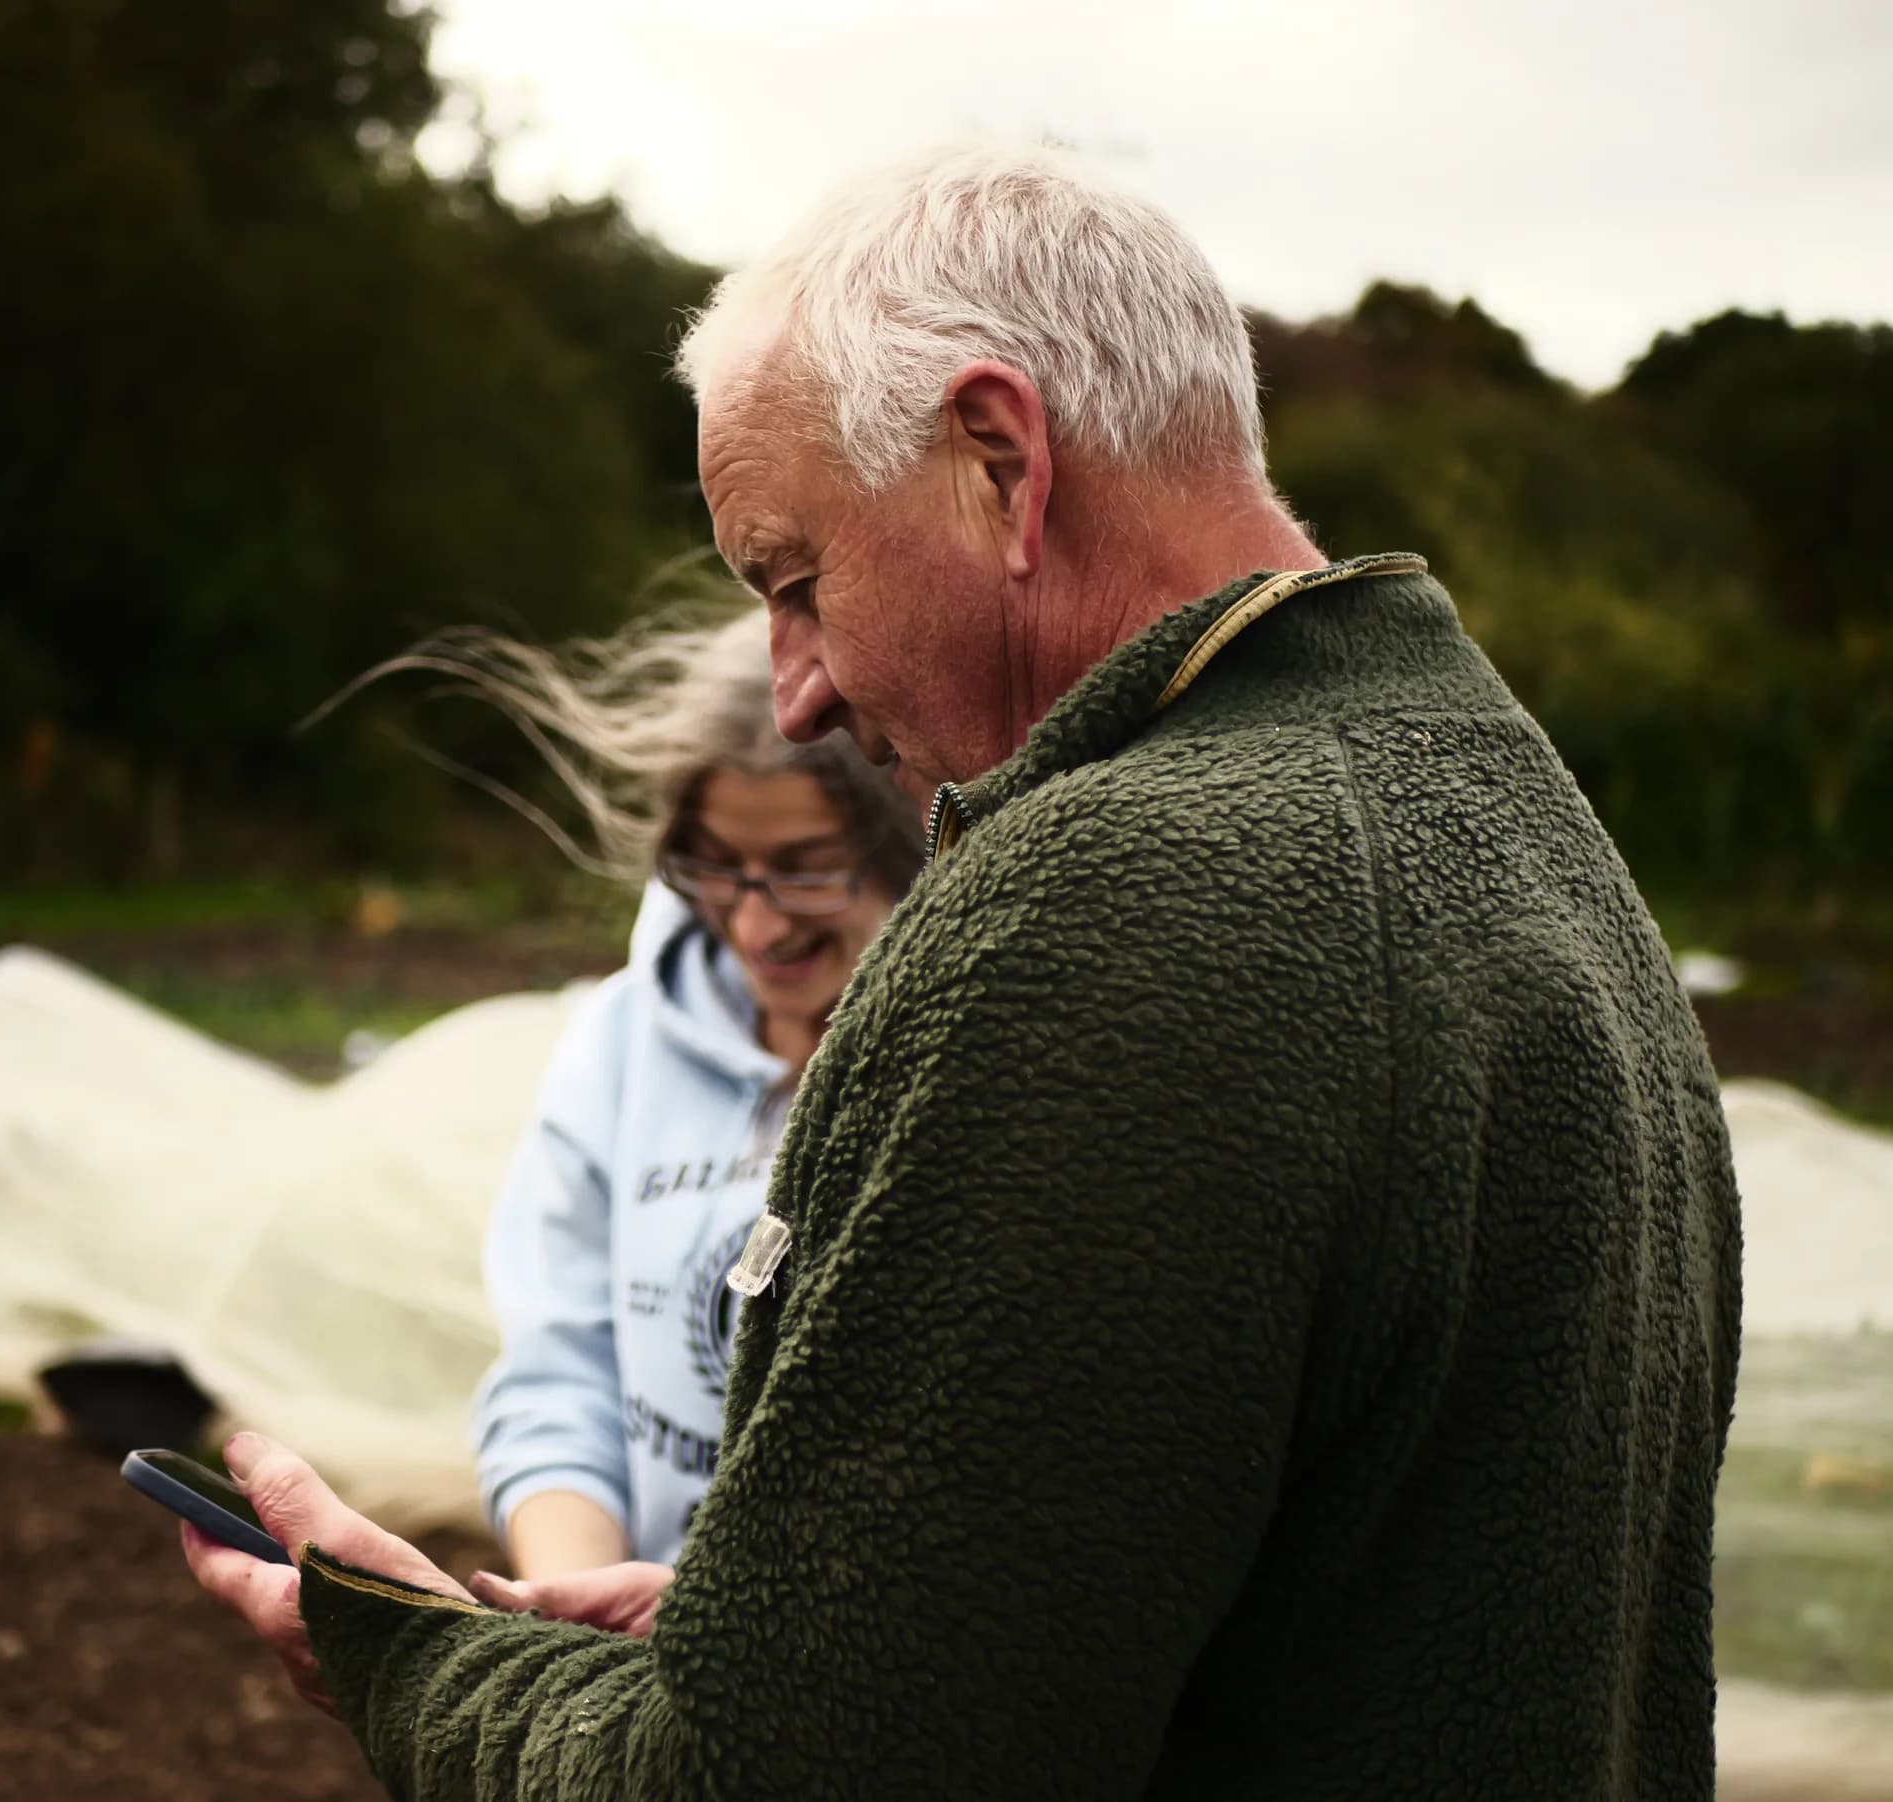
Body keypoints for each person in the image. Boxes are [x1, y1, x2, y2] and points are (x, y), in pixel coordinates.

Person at [184, 143, 1741, 1800]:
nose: (794, 692)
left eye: (795, 582)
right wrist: (796, 1635)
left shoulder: (1106, 907)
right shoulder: (1506, 803)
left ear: (999, 461)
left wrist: (418, 1661)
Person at [425, 607, 919, 1580]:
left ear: (905, 841)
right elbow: (559, 1376)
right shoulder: (618, 1048)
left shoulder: (961, 1052)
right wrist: (580, 1601)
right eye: (718, 868)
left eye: (806, 872)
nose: (757, 923)